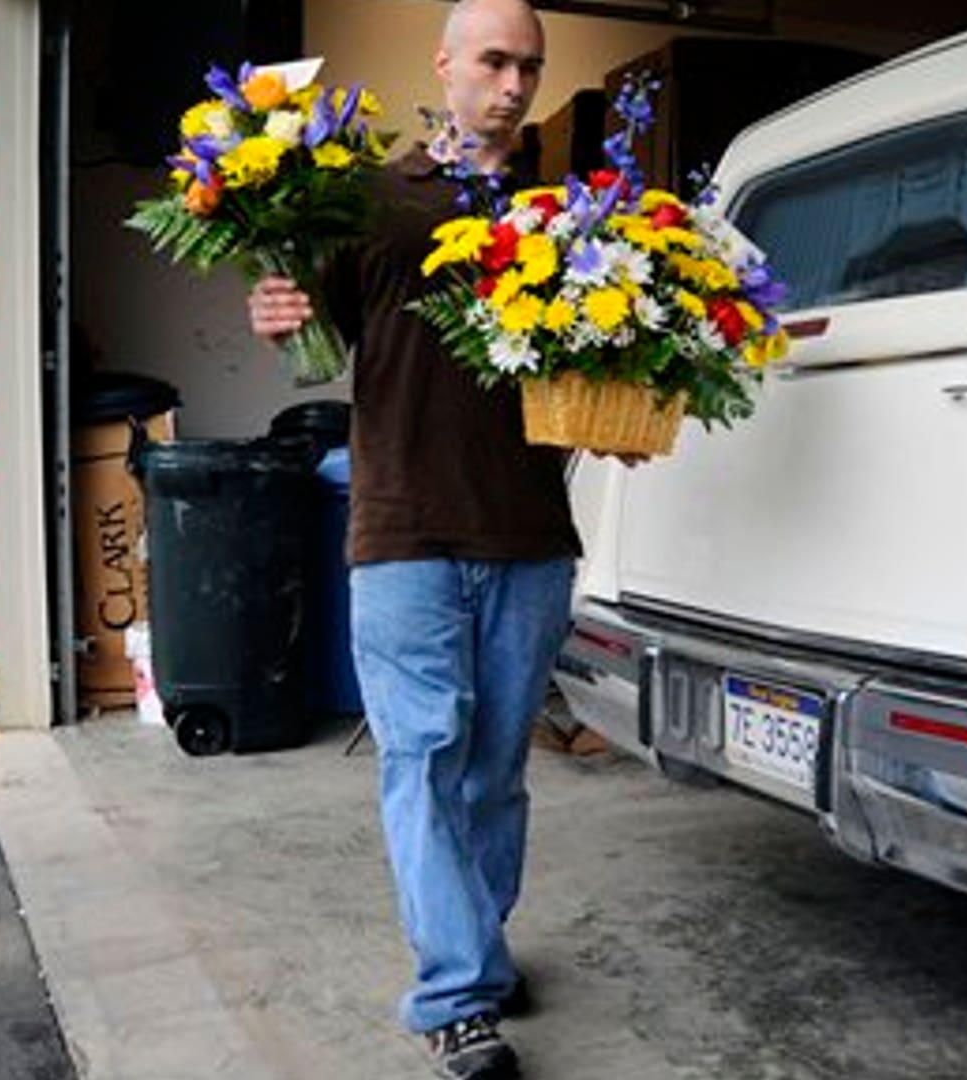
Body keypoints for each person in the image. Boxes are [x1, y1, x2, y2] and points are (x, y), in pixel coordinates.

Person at [247, 2, 571, 1077]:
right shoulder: (372, 200)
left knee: (494, 775)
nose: (515, 83)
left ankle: (472, 943)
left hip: (530, 530)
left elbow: (587, 367)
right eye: (495, 60)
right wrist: (277, 308)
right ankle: (456, 998)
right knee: (425, 762)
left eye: (530, 66)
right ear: (445, 65)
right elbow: (314, 334)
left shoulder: (563, 216)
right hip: (401, 533)